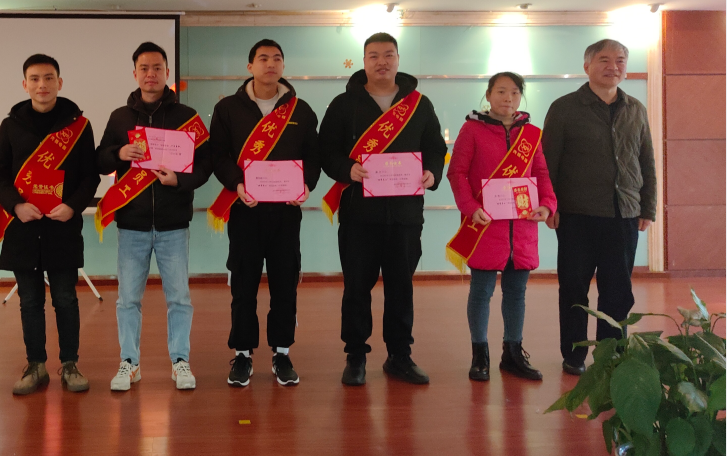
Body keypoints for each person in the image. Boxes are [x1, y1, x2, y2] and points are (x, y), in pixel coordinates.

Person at [319, 32, 446, 386]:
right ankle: (355, 355)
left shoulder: (419, 105)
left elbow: (436, 148)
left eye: (388, 54)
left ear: (398, 59)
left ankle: (399, 355)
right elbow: (326, 150)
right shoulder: (344, 104)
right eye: (373, 55)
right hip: (359, 215)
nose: (381, 62)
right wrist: (346, 169)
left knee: (401, 287)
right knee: (356, 288)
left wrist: (432, 172)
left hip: (405, 215)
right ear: (364, 62)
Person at [95, 42, 212, 391]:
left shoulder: (186, 117)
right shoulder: (120, 117)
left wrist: (180, 181)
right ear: (135, 73)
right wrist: (119, 153)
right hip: (132, 223)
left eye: (157, 67)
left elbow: (205, 165)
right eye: (144, 68)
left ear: (167, 72)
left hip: (174, 223)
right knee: (128, 299)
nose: (151, 74)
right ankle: (129, 363)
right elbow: (100, 159)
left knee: (179, 298)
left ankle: (180, 361)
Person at [0, 54, 100, 394]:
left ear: (59, 82)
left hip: (62, 226)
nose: (42, 85)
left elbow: (90, 176)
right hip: (23, 227)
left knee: (65, 299)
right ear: (25, 84)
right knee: (30, 302)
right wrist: (16, 205)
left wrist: (73, 207)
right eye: (34, 79)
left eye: (48, 78)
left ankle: (70, 364)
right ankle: (35, 365)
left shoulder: (79, 126)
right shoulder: (11, 125)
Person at [209, 38, 320, 387]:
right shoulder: (228, 108)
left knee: (285, 285)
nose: (270, 64)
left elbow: (313, 156)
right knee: (243, 285)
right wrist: (236, 184)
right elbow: (218, 155)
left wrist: (307, 185)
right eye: (262, 58)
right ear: (250, 66)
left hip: (286, 214)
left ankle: (282, 352)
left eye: (276, 58)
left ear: (283, 66)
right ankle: (242, 354)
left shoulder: (301, 111)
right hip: (245, 210)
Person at [543, 39, 656, 376]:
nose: (613, 66)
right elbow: (548, 162)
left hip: (624, 213)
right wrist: (550, 204)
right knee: (574, 289)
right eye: (604, 59)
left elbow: (646, 161)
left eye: (620, 60)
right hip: (576, 215)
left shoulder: (635, 108)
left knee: (618, 291)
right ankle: (574, 354)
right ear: (587, 66)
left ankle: (611, 354)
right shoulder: (564, 108)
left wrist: (648, 207)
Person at [446, 72, 557, 382]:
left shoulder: (531, 134)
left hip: (522, 226)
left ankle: (513, 353)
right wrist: (471, 208)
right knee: (481, 292)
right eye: (501, 91)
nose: (508, 98)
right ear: (488, 95)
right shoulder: (472, 130)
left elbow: (542, 174)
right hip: (484, 225)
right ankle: (479, 354)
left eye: (514, 92)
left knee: (516, 293)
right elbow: (457, 173)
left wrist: (547, 204)